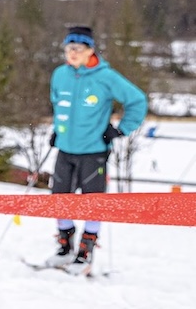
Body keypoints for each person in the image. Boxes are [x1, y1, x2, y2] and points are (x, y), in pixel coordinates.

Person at [46, 24, 148, 269]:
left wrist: (120, 129)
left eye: (78, 48)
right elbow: (57, 104)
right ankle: (64, 246)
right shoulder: (60, 74)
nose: (72, 53)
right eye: (68, 48)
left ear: (90, 50)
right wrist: (57, 130)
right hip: (65, 149)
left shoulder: (106, 77)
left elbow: (137, 100)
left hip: (94, 152)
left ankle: (85, 250)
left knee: (93, 202)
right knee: (59, 200)